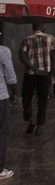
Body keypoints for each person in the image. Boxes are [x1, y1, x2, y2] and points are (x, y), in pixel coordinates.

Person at [19, 24, 55, 136]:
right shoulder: (51, 38)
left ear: (33, 28)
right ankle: (40, 125)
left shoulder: (27, 39)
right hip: (45, 74)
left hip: (30, 74)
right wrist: (51, 72)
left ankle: (30, 118)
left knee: (26, 98)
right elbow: (53, 56)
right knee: (42, 100)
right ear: (42, 27)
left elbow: (22, 57)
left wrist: (34, 68)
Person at [0, 42, 17, 180]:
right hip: (0, 97)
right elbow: (10, 76)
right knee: (1, 132)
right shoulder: (3, 51)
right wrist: (15, 92)